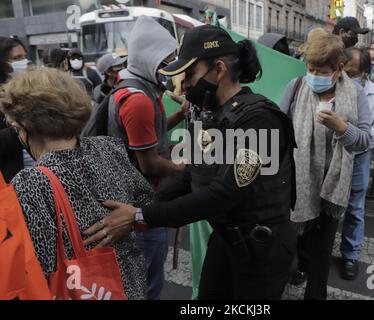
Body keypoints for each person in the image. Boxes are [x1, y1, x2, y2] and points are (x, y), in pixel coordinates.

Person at [83, 25, 298, 300]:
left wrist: (140, 216)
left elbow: (225, 194)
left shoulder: (261, 122)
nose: (183, 86)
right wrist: (141, 208)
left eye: (189, 75)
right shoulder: (209, 115)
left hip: (261, 252)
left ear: (218, 70)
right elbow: (190, 176)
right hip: (225, 240)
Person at [0, 67, 150, 299]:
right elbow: (147, 202)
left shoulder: (30, 183)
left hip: (80, 290)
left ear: (25, 127)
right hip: (131, 283)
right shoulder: (109, 148)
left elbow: (38, 265)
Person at [280, 33, 371, 299]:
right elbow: (280, 129)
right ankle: (293, 272)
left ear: (339, 69)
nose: (314, 75)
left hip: (332, 188)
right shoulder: (296, 87)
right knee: (290, 242)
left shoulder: (355, 95)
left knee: (321, 252)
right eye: (311, 68)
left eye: (322, 71)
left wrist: (342, 128)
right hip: (297, 184)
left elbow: (363, 141)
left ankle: (315, 293)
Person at [105, 16, 187, 300]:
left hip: (137, 199)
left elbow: (152, 134)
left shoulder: (138, 88)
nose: (171, 67)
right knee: (147, 285)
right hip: (140, 206)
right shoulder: (138, 100)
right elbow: (149, 162)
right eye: (166, 60)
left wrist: (179, 115)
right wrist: (183, 169)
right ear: (148, 57)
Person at [341, 47, 374, 280]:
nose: (346, 78)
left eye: (351, 74)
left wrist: (353, 138)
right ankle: (310, 255)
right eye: (343, 71)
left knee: (354, 207)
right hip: (331, 154)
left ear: (364, 74)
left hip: (359, 156)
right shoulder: (332, 88)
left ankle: (350, 255)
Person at [0, 36, 33, 183]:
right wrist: (20, 128)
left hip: (40, 172)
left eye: (24, 56)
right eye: (17, 58)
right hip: (13, 179)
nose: (24, 62)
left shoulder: (30, 88)